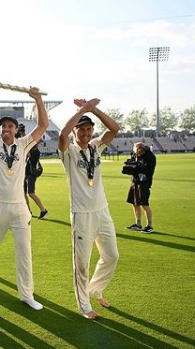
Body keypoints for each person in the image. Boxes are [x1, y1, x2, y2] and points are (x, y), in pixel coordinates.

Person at [0, 78, 48, 310]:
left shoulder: (24, 144)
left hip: (19, 207)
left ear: (16, 130)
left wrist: (38, 100)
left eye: (10, 127)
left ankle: (27, 294)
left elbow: (43, 126)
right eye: (3, 126)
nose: (5, 129)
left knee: (24, 252)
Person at [58, 98, 120, 320]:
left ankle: (95, 289)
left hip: (102, 211)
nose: (84, 133)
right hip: (82, 214)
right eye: (80, 129)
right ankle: (84, 305)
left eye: (88, 129)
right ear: (75, 131)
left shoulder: (96, 147)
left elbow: (114, 128)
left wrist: (93, 109)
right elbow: (62, 136)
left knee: (112, 256)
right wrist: (82, 110)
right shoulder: (69, 152)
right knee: (81, 264)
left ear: (92, 130)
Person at [125, 142, 157, 234]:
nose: (137, 154)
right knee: (134, 203)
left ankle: (150, 226)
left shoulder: (150, 157)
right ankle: (138, 224)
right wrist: (130, 167)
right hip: (135, 181)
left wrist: (135, 167)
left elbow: (148, 171)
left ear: (142, 149)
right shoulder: (137, 154)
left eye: (138, 152)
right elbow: (135, 166)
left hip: (144, 183)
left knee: (144, 204)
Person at [24, 143, 48, 219]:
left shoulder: (36, 151)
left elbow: (28, 154)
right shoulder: (32, 149)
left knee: (31, 193)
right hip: (25, 174)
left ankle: (43, 210)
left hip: (31, 175)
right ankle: (28, 211)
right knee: (23, 194)